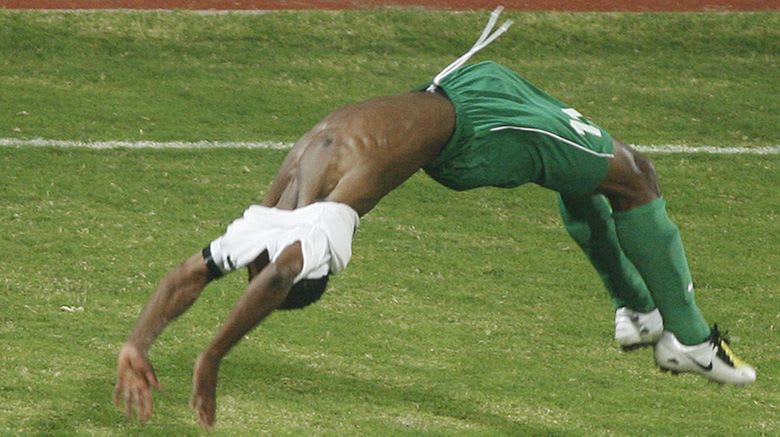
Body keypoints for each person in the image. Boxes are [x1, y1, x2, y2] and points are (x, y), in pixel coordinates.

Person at [113, 8, 755, 430]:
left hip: (463, 92)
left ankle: (638, 311)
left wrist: (137, 343)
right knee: (635, 177)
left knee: (581, 173)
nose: (260, 268)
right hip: (476, 134)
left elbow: (185, 277)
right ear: (314, 269)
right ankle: (690, 342)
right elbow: (278, 280)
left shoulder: (256, 227)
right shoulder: (321, 231)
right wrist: (212, 357)